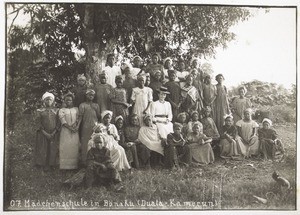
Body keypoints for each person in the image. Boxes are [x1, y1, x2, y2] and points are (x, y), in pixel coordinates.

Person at [35, 92, 60, 171]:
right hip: (43, 133)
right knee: (43, 148)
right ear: (43, 101)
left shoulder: (56, 110)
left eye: (50, 100)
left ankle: (52, 164)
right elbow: (38, 122)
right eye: (47, 100)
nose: (48, 101)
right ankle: (43, 164)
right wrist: (45, 133)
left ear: (53, 101)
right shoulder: (39, 111)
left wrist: (54, 132)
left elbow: (58, 122)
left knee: (53, 148)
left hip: (53, 133)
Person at [78, 89, 101, 166]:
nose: (91, 96)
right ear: (86, 95)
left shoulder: (96, 105)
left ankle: (95, 161)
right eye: (89, 95)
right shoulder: (82, 105)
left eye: (92, 95)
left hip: (95, 126)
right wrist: (78, 126)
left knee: (95, 142)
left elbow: (99, 116)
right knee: (85, 143)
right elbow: (80, 117)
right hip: (86, 126)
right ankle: (84, 161)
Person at [58, 92, 80, 170]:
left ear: (72, 101)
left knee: (74, 146)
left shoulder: (76, 109)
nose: (68, 102)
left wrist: (76, 126)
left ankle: (74, 166)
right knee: (66, 147)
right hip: (65, 131)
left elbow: (78, 118)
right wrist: (70, 128)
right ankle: (64, 167)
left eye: (70, 100)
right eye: (66, 100)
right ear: (64, 101)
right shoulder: (62, 110)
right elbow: (63, 121)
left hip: (74, 131)